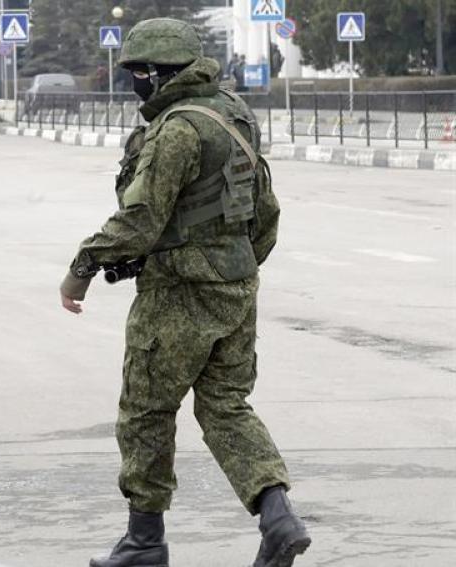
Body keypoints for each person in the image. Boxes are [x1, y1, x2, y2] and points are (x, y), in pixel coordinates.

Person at [58, 18, 310, 567]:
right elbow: (264, 210)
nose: (133, 84)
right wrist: (235, 267)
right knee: (226, 408)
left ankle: (144, 542)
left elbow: (141, 221)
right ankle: (278, 517)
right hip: (236, 287)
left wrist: (82, 265)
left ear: (157, 73)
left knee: (146, 411)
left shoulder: (177, 130)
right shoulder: (233, 113)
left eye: (137, 73)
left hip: (178, 293)